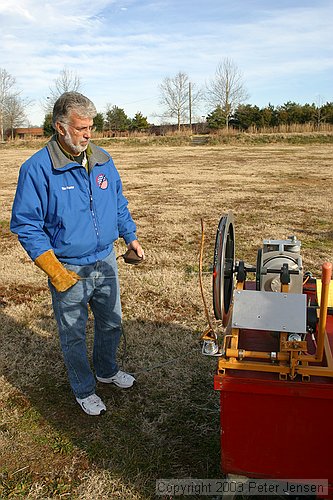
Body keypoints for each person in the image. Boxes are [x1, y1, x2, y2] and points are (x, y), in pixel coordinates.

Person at [10, 92, 144, 416]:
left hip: (106, 259)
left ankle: (106, 370)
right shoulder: (37, 169)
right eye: (81, 127)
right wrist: (52, 268)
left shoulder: (102, 159)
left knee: (112, 322)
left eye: (91, 127)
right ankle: (84, 389)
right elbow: (26, 224)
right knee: (73, 334)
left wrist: (131, 237)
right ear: (60, 127)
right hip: (67, 267)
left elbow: (117, 203)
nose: (88, 134)